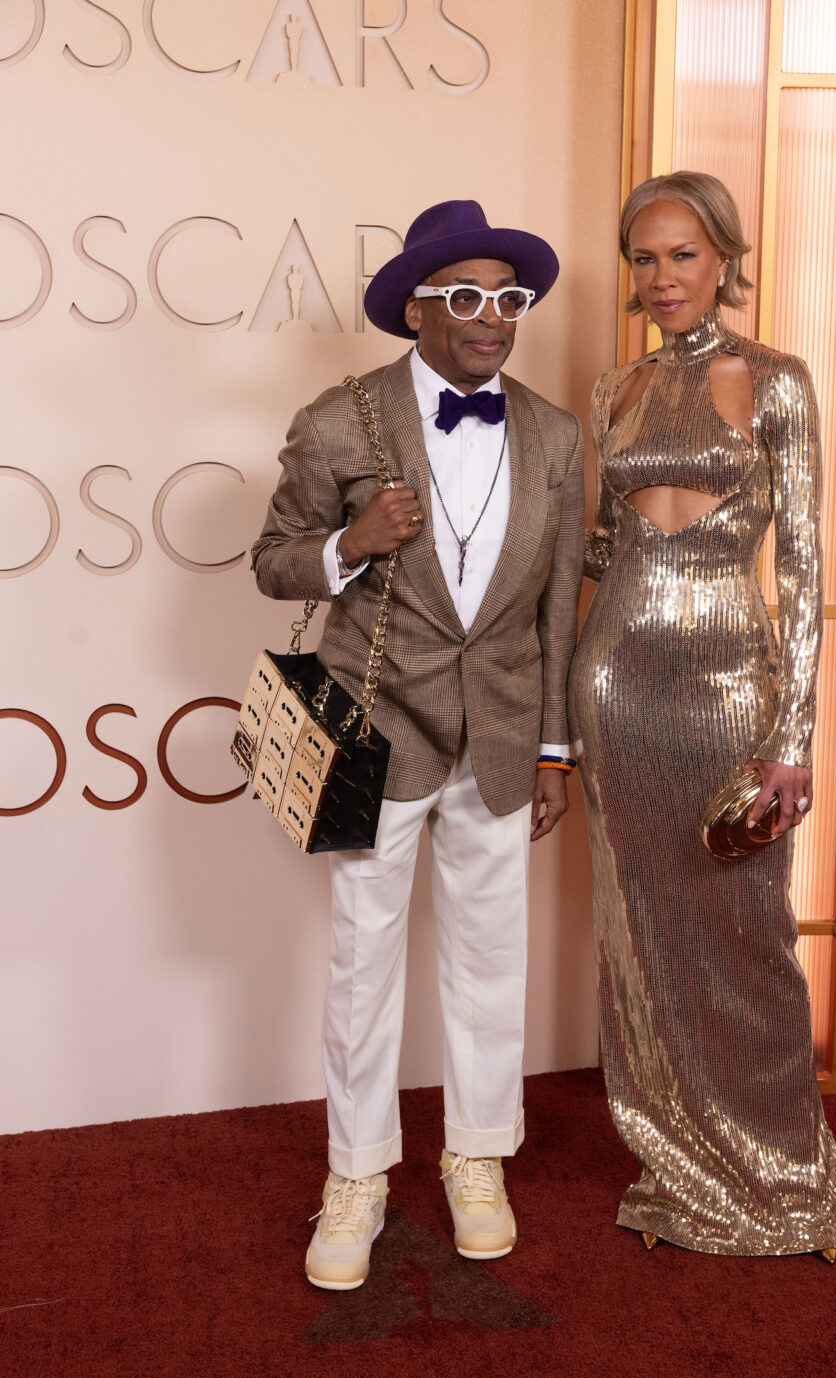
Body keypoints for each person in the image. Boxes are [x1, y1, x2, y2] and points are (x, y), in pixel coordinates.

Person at [252, 201, 584, 1289]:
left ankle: (476, 1157)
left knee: (492, 962)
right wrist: (350, 542)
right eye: (468, 298)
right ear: (417, 308)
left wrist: (552, 748)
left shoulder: (553, 433)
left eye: (509, 299)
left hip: (497, 737)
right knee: (361, 963)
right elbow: (273, 562)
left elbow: (551, 619)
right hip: (376, 726)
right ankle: (356, 1173)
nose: (493, 319)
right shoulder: (341, 421)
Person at [568, 172, 836, 1259]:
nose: (660, 278)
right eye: (643, 259)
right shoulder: (613, 390)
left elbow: (808, 566)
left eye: (681, 255)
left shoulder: (775, 380)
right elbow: (598, 549)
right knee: (636, 930)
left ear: (725, 260)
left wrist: (792, 738)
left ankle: (777, 1167)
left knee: (745, 933)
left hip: (733, 686)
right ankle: (676, 1152)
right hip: (617, 685)